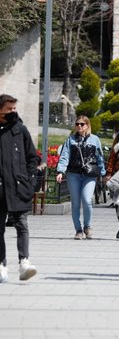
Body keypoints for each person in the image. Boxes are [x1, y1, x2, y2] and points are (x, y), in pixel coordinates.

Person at [0, 94, 39, 282]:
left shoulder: (20, 130)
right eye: (9, 109)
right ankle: (1, 264)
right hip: (0, 188)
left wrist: (30, 180)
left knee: (22, 224)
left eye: (14, 109)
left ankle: (24, 262)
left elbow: (33, 157)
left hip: (18, 187)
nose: (13, 112)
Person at [56, 116, 106, 240]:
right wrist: (60, 171)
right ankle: (78, 230)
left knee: (87, 200)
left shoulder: (95, 140)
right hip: (74, 174)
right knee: (76, 203)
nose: (79, 126)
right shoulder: (71, 140)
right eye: (77, 124)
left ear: (87, 125)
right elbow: (64, 155)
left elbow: (100, 157)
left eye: (82, 124)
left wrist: (104, 173)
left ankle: (87, 226)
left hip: (89, 175)